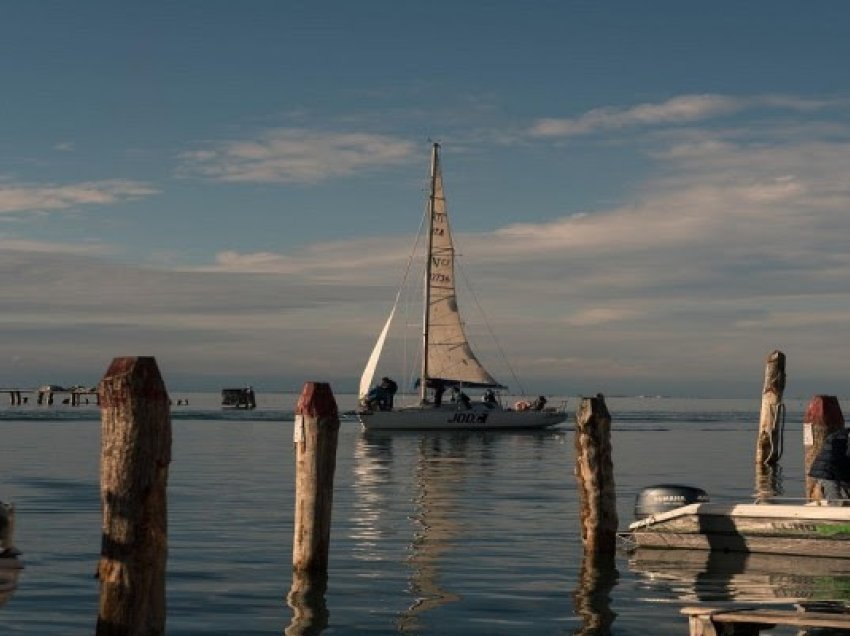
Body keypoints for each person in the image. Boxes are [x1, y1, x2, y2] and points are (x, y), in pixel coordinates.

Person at [808, 428, 850, 502]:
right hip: (829, 474)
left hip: (827, 473)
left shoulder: (841, 434)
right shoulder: (842, 437)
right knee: (836, 506)